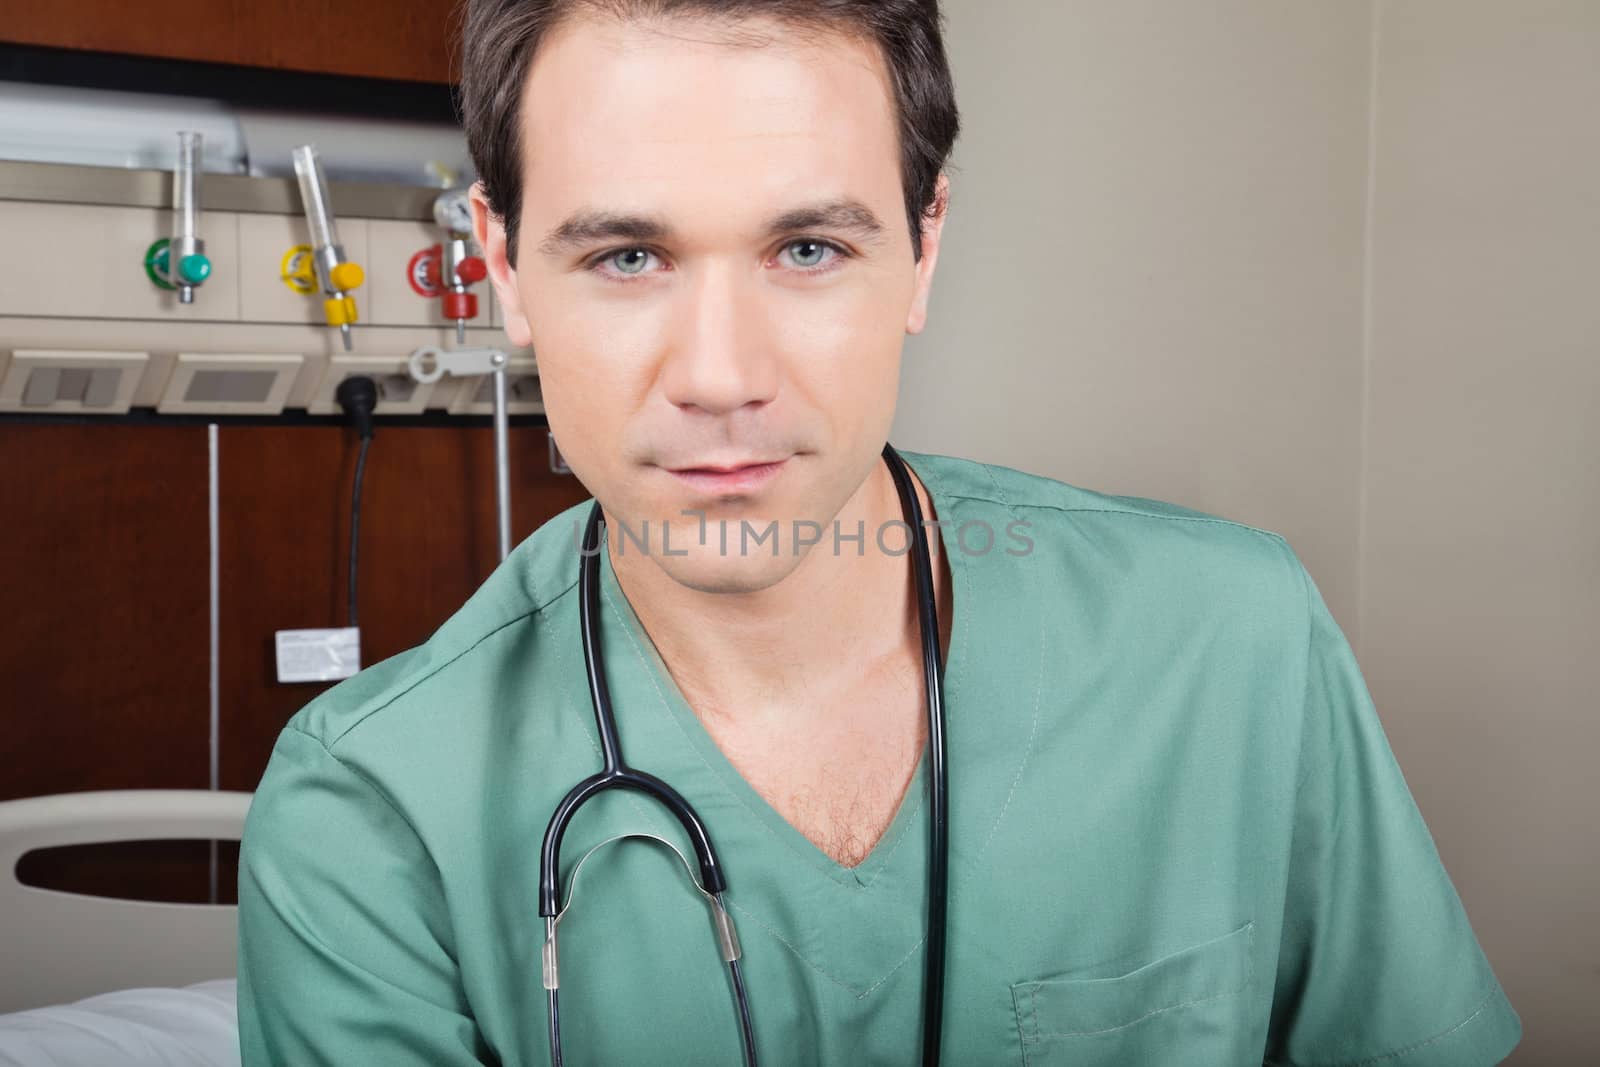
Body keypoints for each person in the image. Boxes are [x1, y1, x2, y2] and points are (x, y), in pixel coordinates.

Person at [236, 1, 1523, 1064]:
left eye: (806, 247)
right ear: (505, 270)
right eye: (627, 256)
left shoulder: (1228, 642)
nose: (722, 374)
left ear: (922, 248)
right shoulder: (370, 811)